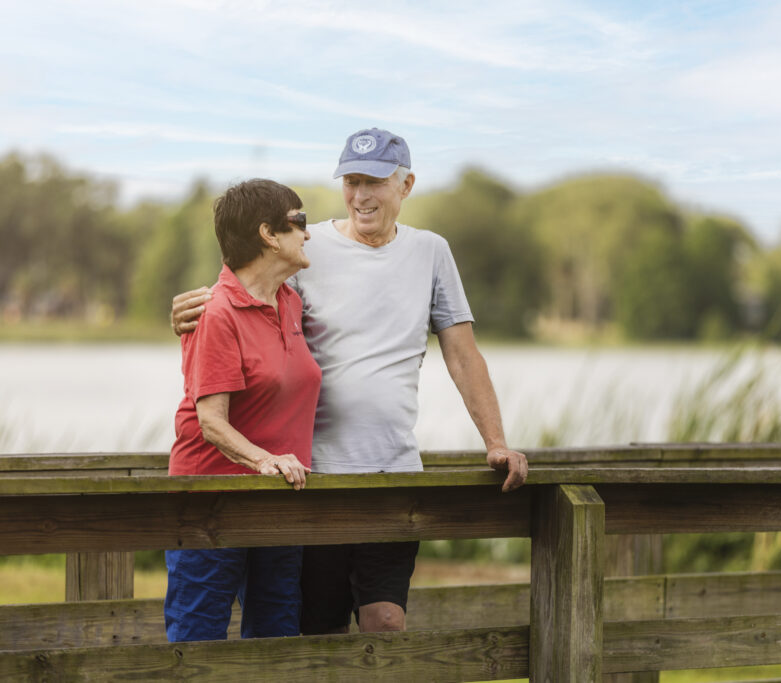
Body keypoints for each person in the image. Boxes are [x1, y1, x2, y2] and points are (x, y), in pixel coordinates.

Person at [171, 128, 529, 635]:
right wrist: (187, 313)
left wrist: (496, 443)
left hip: (394, 477)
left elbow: (463, 354)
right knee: (316, 633)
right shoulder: (305, 249)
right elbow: (239, 297)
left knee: (385, 623)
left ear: (405, 185)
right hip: (315, 480)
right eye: (351, 181)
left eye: (375, 181)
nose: (360, 195)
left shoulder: (431, 252)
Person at [165, 178, 320, 642]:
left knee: (276, 639)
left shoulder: (290, 302)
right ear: (268, 234)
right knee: (198, 643)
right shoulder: (216, 312)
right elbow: (211, 421)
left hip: (277, 502)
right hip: (211, 503)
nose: (308, 234)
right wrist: (265, 460)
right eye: (300, 222)